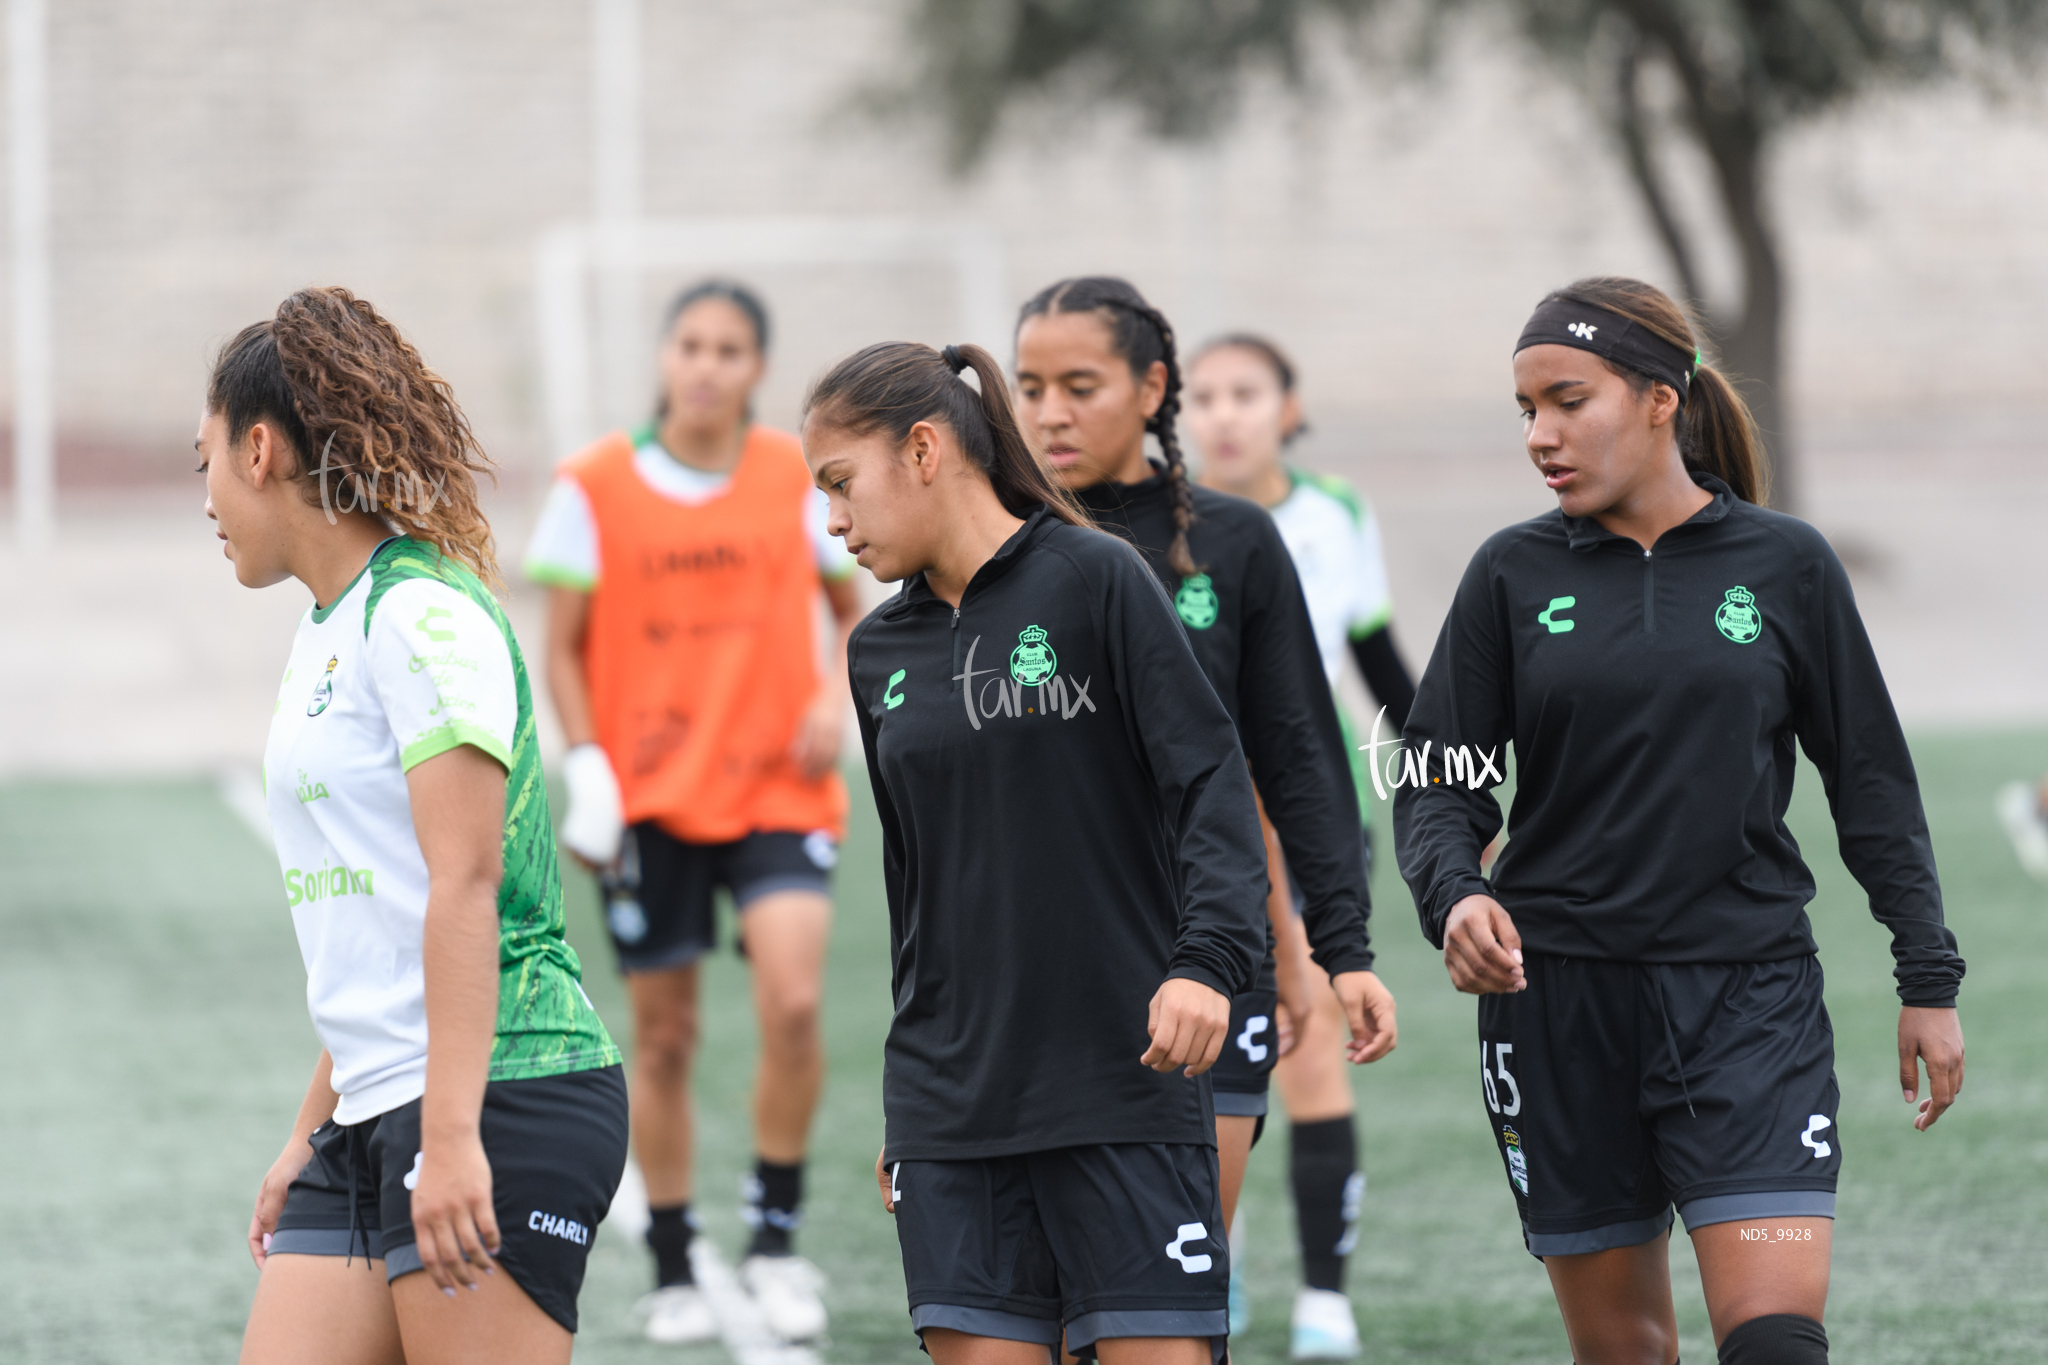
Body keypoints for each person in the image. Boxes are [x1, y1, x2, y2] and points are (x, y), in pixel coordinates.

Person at [1393, 276, 1967, 1365]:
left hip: (1744, 997)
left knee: (1774, 1346)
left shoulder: (1785, 565)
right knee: (1627, 1356)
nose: (1539, 436)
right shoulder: (1507, 575)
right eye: (1524, 411)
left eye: (1567, 400)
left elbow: (1871, 784)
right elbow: (1437, 781)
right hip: (1554, 1006)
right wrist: (1454, 891)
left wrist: (1924, 979)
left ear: (1661, 397)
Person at [809, 338, 1268, 1365]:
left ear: (923, 450)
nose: (832, 522)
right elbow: (913, 887)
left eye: (841, 485)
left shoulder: (1096, 578)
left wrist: (1206, 965)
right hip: (953, 1107)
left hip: (1120, 1083)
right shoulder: (876, 649)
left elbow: (1211, 789)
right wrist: (907, 1104)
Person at [209, 287, 627, 1365]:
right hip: (371, 1109)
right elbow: (376, 920)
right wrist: (309, 1133)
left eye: (201, 459)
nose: (204, 497)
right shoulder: (328, 626)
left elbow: (465, 889)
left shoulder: (422, 614)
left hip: (501, 1093)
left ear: (259, 450)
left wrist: (447, 1142)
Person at [1013, 278, 1397, 1362]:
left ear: (1149, 388)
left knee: (1170, 1299)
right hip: (1044, 966)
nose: (1048, 412)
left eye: (1077, 386)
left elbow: (1300, 758)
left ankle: (1319, 1295)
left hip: (1210, 945)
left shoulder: (1234, 544)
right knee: (1050, 1310)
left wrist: (1340, 945)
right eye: (1030, 387)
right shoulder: (999, 544)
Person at [523, 280, 860, 1345]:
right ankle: (671, 1258)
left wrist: (825, 691)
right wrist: (591, 772)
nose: (706, 365)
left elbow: (853, 606)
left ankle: (774, 1243)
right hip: (652, 801)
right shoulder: (592, 484)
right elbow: (562, 648)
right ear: (665, 358)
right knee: (663, 1040)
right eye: (690, 345)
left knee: (794, 1004)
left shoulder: (792, 474)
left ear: (756, 368)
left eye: (728, 349)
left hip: (775, 787)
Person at [1184, 333, 1417, 1358]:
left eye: (1246, 392)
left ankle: (1324, 1297)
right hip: (1195, 826)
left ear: (1289, 405)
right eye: (1204, 395)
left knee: (1311, 1038)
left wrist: (1453, 790)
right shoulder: (1164, 525)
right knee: (1189, 1047)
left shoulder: (1334, 514)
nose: (1223, 413)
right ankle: (1209, 1255)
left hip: (1311, 817)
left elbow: (1376, 659)